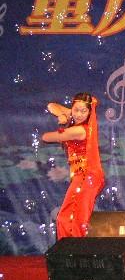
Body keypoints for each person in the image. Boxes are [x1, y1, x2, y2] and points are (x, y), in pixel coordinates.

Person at [42, 93, 104, 239]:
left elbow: (46, 137)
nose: (79, 114)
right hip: (85, 177)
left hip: (85, 176)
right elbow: (51, 105)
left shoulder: (80, 130)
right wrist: (64, 114)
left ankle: (73, 250)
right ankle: (73, 249)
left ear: (89, 113)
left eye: (84, 111)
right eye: (76, 110)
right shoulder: (80, 121)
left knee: (69, 219)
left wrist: (65, 119)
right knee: (72, 218)